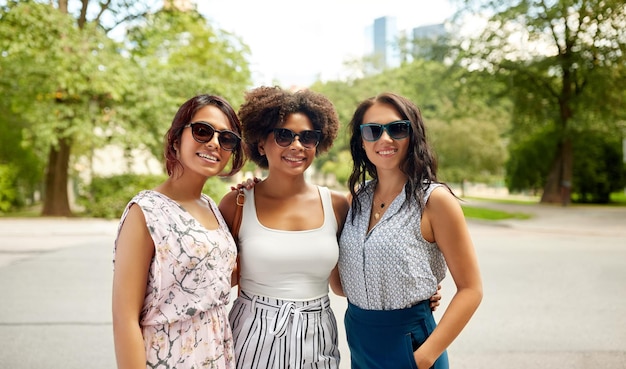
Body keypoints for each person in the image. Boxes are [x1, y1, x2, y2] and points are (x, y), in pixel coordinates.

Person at [337, 92, 483, 369]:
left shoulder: (435, 201)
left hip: (413, 349)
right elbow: (341, 285)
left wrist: (424, 358)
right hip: (360, 344)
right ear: (361, 141)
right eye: (373, 130)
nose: (385, 139)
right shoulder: (354, 201)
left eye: (397, 128)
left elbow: (471, 289)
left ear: (412, 135)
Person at [218, 86, 349, 369]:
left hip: (318, 338)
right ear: (261, 143)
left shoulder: (338, 205)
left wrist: (414, 293)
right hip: (251, 336)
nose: (296, 145)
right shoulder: (237, 203)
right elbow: (214, 278)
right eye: (284, 135)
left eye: (308, 137)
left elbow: (343, 284)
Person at [112, 94, 245, 369]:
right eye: (202, 131)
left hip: (216, 353)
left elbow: (207, 283)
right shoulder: (146, 211)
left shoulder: (211, 206)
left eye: (226, 138)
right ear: (175, 139)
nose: (214, 143)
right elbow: (125, 317)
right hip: (168, 358)